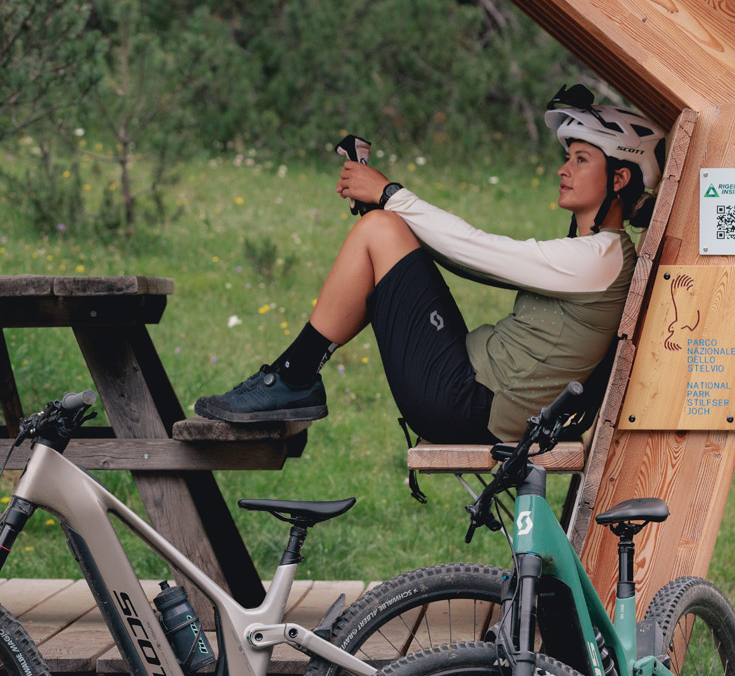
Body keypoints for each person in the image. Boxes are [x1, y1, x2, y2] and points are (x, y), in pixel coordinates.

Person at [195, 84, 665, 444]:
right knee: (384, 230)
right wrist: (392, 214)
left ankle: (294, 377)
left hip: (468, 402)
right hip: (472, 389)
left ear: (619, 178)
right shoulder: (597, 255)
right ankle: (294, 378)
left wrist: (388, 196)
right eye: (567, 157)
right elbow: (472, 257)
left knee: (380, 229)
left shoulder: (599, 258)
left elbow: (480, 253)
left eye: (581, 159)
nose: (564, 169)